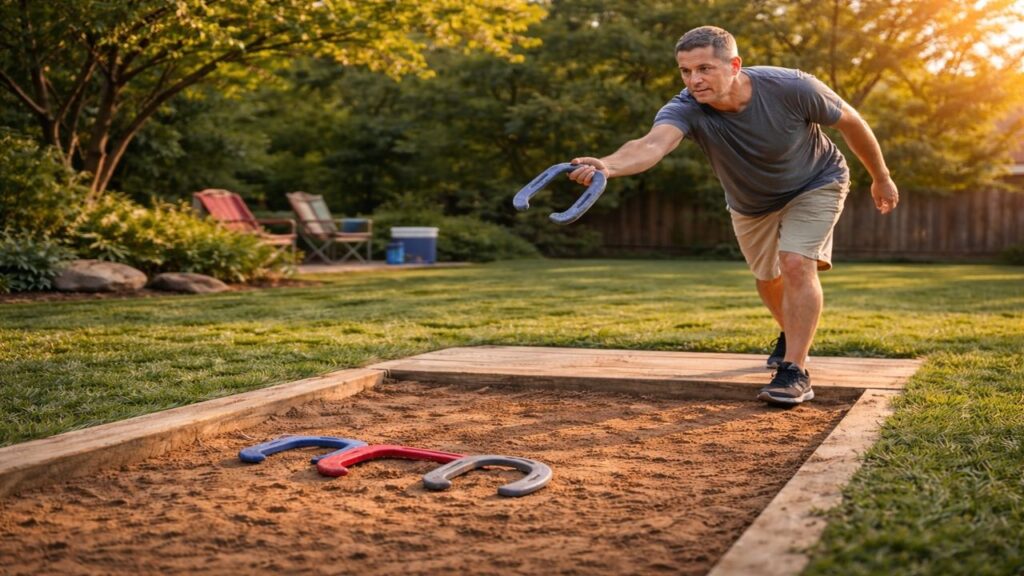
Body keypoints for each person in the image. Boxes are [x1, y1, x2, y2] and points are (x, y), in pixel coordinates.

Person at [568, 25, 899, 406]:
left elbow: (852, 122)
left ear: (735, 65)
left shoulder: (792, 87)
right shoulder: (686, 108)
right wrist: (607, 166)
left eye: (704, 69)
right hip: (750, 201)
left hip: (816, 181)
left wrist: (881, 177)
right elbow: (651, 145)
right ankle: (792, 335)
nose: (694, 80)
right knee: (767, 278)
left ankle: (794, 371)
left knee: (795, 262)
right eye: (685, 71)